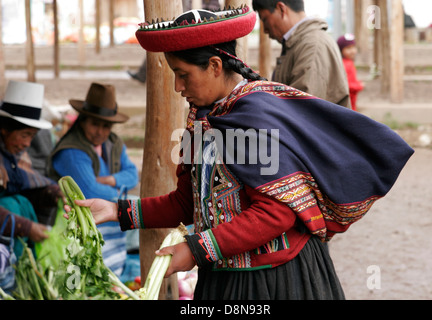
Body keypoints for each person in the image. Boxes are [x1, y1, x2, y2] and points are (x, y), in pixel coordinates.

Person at [66, 7, 414, 300]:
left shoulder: (251, 117)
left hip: (274, 281)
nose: (177, 86)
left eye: (183, 74)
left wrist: (197, 249)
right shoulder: (203, 122)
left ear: (215, 66)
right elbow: (190, 205)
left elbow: (276, 214)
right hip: (223, 278)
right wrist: (116, 211)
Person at [48, 82, 139, 276]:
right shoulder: (72, 151)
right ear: (82, 121)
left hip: (104, 213)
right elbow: (90, 191)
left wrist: (108, 180)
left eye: (106, 126)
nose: (100, 131)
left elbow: (132, 175)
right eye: (94, 124)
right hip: (70, 221)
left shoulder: (113, 143)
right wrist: (120, 192)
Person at [0, 80, 61, 257]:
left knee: (20, 201)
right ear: (4, 130)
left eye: (32, 136)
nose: (27, 144)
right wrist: (25, 227)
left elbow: (24, 185)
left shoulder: (13, 160)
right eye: (24, 135)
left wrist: (54, 193)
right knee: (11, 203)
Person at [252, 0, 350, 108]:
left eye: (265, 19)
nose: (265, 30)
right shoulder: (298, 43)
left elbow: (302, 110)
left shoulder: (312, 46)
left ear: (281, 9)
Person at [337, 33, 364, 111]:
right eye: (348, 48)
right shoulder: (346, 64)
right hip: (348, 102)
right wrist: (359, 85)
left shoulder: (348, 62)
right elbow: (346, 84)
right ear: (341, 50)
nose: (352, 51)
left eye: (353, 47)